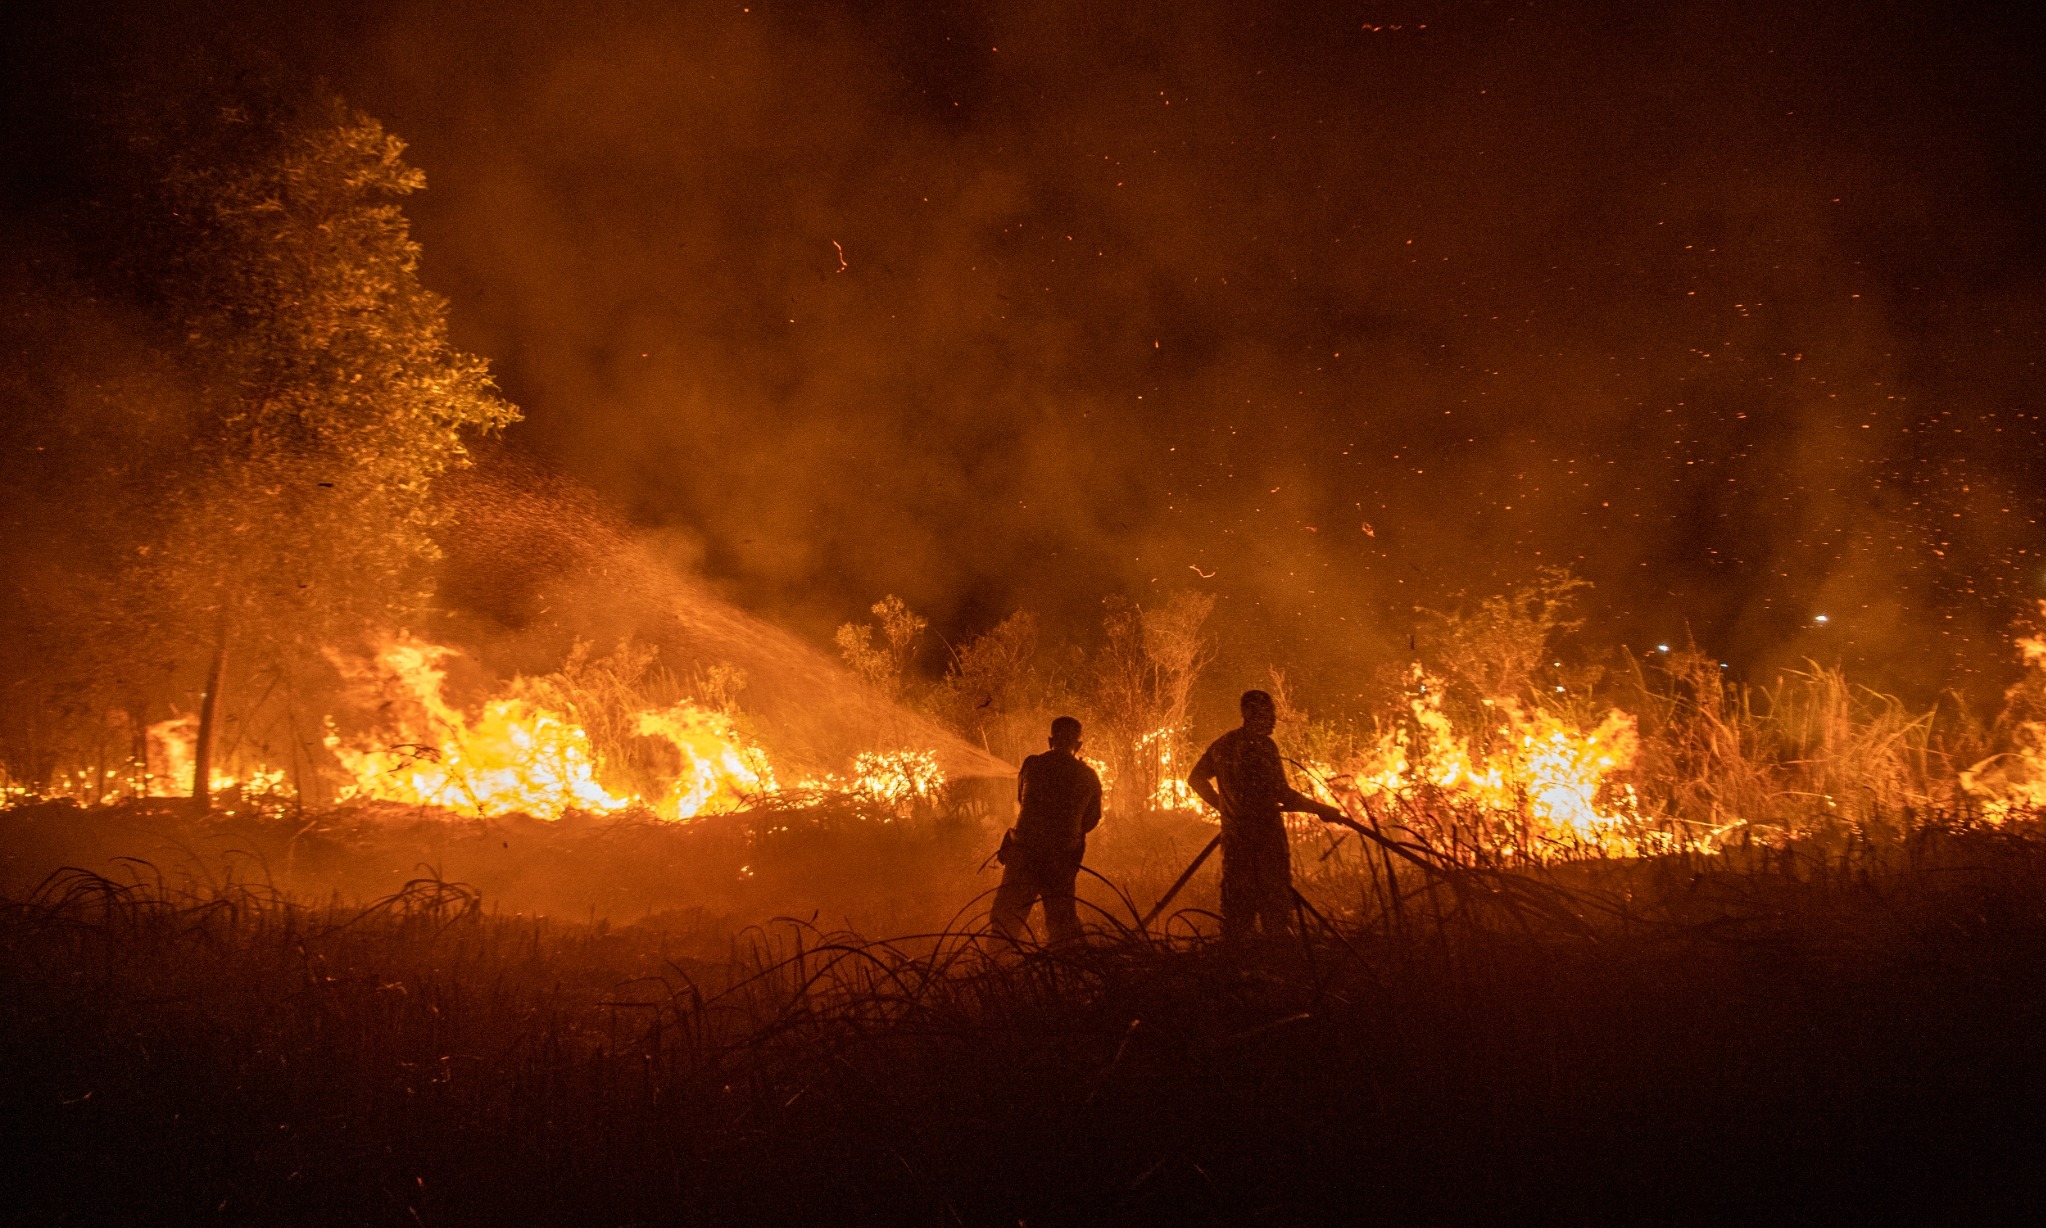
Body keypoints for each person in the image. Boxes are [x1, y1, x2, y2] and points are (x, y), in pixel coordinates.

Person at [1186, 689, 1345, 940]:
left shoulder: (1223, 744)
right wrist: (1320, 809)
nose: (1272, 718)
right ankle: (1277, 961)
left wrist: (1225, 808)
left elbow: (1195, 779)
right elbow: (1281, 792)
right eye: (1267, 712)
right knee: (1275, 907)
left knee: (1238, 907)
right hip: (1265, 840)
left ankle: (1238, 962)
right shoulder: (1261, 746)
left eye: (1271, 713)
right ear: (1250, 713)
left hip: (1235, 839)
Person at [990, 716, 1103, 944]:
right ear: (1078, 745)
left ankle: (997, 968)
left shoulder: (1032, 764)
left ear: (1050, 740)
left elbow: (1022, 800)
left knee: (1006, 922)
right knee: (1063, 927)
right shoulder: (1089, 776)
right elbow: (1091, 820)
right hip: (1061, 858)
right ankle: (1065, 971)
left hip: (1024, 853)